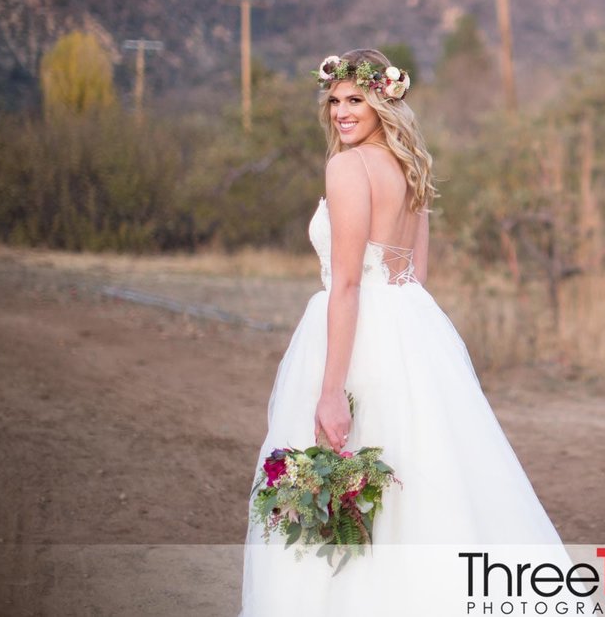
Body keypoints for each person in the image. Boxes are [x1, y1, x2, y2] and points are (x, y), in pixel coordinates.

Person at [239, 49, 568, 616]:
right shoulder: (409, 166)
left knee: (343, 485)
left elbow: (346, 286)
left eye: (355, 100)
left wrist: (331, 389)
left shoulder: (346, 168)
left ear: (382, 101)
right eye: (335, 100)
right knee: (422, 480)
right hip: (410, 329)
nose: (341, 111)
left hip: (355, 333)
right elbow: (415, 274)